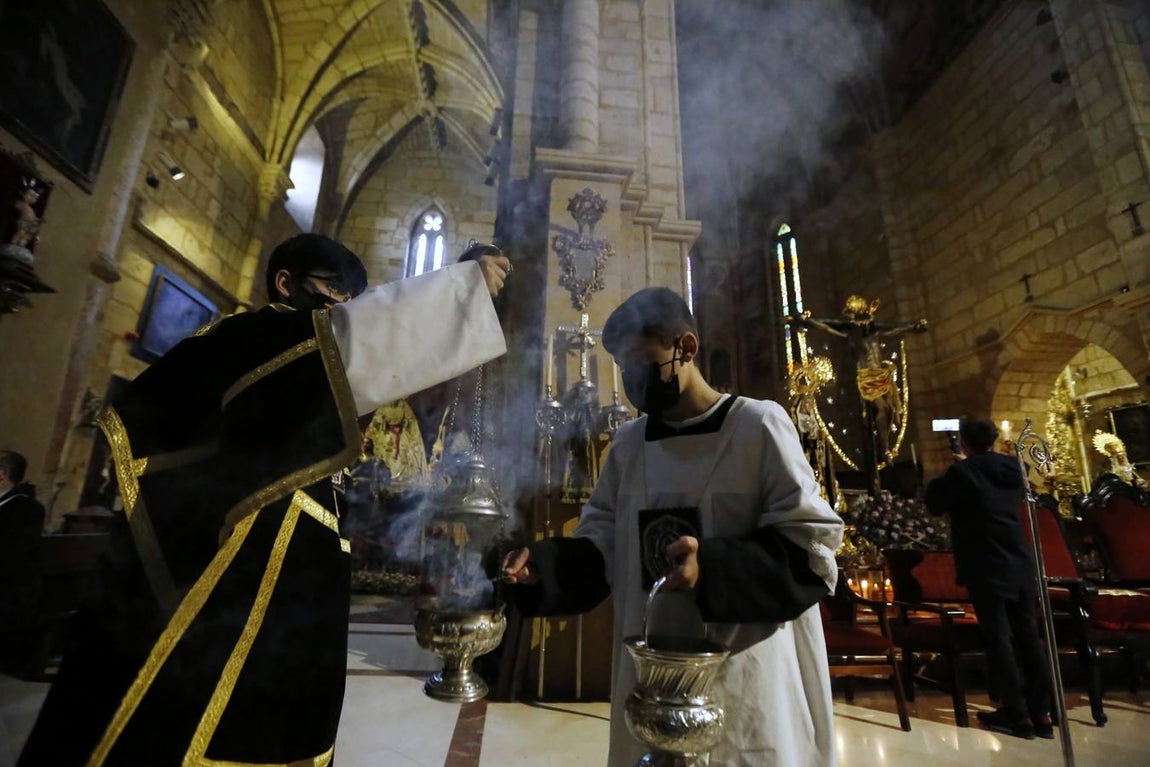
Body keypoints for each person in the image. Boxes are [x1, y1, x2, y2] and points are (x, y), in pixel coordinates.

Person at [18, 234, 511, 766]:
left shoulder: (272, 349)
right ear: (286, 284)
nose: (344, 308)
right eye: (334, 292)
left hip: (295, 552)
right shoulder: (252, 335)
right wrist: (458, 288)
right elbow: (349, 341)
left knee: (277, 716)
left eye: (352, 298)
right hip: (240, 553)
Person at [502, 287, 844, 766]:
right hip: (652, 679)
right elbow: (601, 538)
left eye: (641, 363)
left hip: (743, 672)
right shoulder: (628, 444)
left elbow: (811, 546)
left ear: (686, 348)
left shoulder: (758, 427)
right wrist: (545, 565)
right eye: (622, 369)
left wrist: (714, 568)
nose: (632, 382)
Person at [924, 417, 1053, 740]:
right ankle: (1043, 712)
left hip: (985, 563)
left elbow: (934, 503)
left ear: (964, 442)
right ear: (994, 440)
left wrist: (959, 468)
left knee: (999, 639)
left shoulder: (963, 472)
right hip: (1019, 561)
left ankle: (1017, 714)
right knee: (1028, 637)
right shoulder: (1014, 468)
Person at [0, 450, 46, 677]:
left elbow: (12, 556)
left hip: (10, 594)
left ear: (2, 474)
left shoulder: (24, 508)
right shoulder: (11, 505)